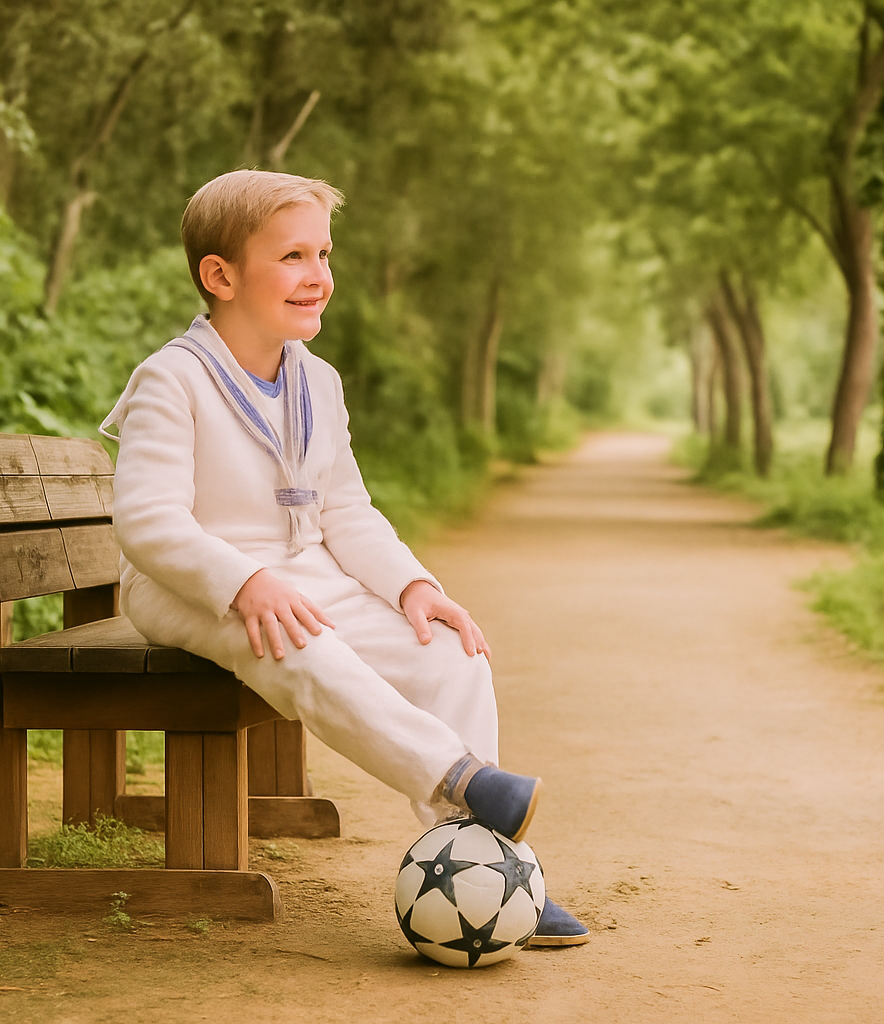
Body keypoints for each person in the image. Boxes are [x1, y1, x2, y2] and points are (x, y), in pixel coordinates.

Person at [100, 169, 588, 946]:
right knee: (300, 641)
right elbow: (148, 521)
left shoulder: (318, 383)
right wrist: (243, 580)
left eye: (324, 253)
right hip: (190, 582)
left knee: (450, 654)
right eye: (293, 256)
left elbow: (347, 512)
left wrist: (412, 587)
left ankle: (492, 877)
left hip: (301, 573)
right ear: (220, 276)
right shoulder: (175, 378)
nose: (320, 276)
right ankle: (460, 781)